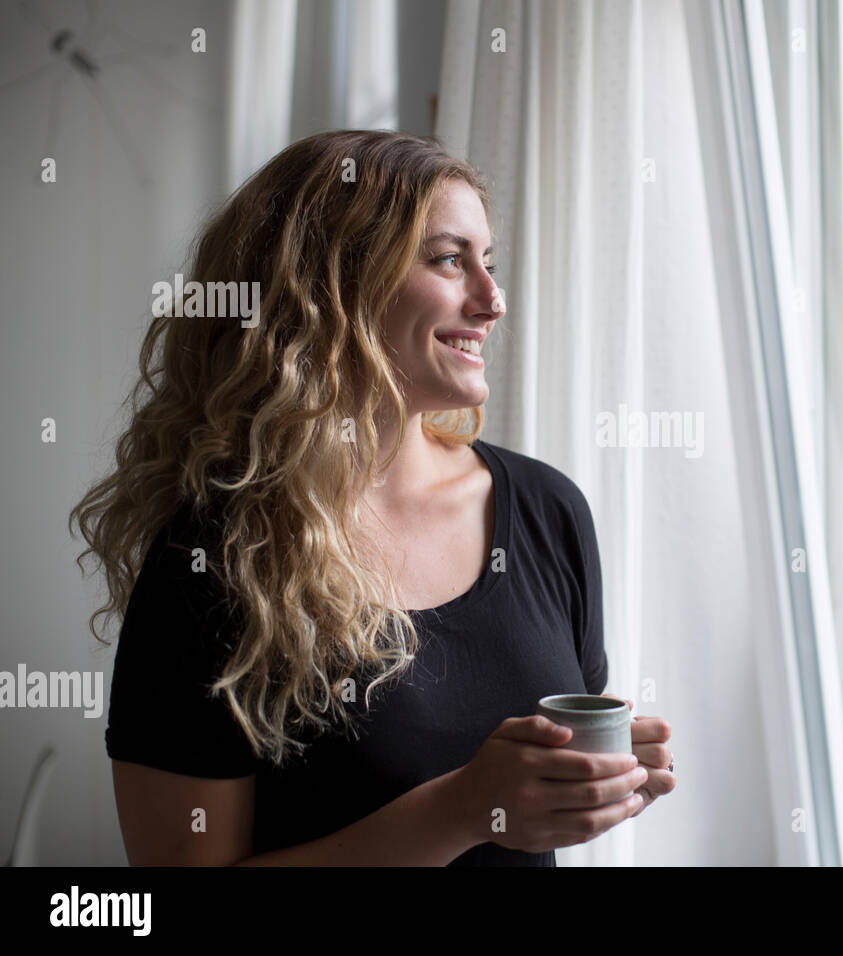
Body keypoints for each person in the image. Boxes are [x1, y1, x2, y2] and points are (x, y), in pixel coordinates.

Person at [69, 130, 675, 866]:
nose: (493, 301)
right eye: (451, 260)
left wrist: (591, 779)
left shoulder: (548, 511)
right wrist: (458, 810)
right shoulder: (214, 557)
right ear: (330, 284)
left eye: (490, 263)